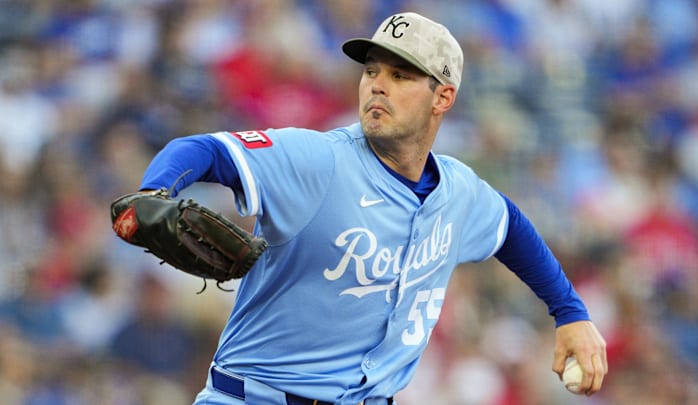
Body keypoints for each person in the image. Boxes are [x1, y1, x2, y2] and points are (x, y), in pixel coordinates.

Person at [132, 11, 607, 405]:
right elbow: (203, 150)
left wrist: (570, 313)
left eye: (400, 75)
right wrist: (154, 194)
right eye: (371, 70)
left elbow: (510, 228)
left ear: (443, 96)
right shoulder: (319, 160)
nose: (377, 85)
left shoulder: (459, 191)